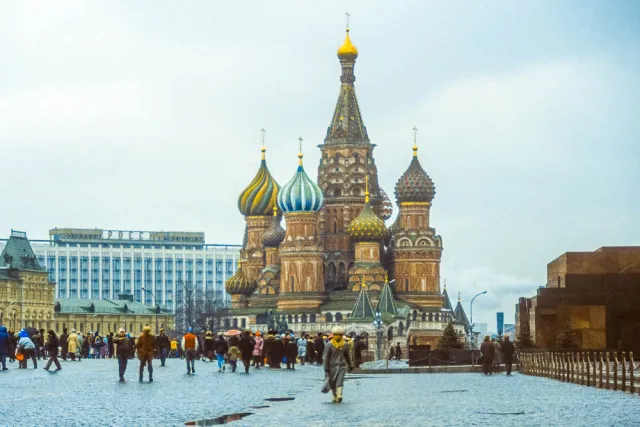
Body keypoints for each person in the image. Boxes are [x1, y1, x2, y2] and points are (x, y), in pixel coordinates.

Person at [323, 326, 354, 403]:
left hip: (342, 366)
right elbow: (326, 357)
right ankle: (335, 396)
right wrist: (326, 368)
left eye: (340, 335)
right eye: (336, 335)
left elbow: (347, 356)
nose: (338, 336)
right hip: (331, 366)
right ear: (334, 335)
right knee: (332, 381)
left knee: (340, 380)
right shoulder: (329, 345)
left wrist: (350, 365)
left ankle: (339, 395)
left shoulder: (345, 345)